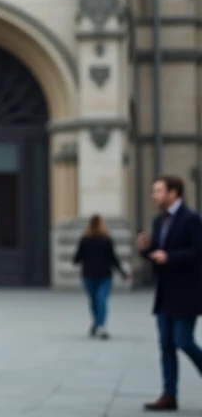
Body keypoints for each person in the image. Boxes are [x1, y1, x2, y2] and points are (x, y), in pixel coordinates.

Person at [139, 175, 202, 412]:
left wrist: (170, 257)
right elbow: (158, 254)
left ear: (173, 193)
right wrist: (146, 250)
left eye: (158, 191)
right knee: (166, 345)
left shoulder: (191, 219)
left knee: (183, 341)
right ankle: (169, 395)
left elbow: (198, 251)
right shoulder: (159, 221)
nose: (154, 195)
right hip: (165, 293)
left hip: (186, 292)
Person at [72, 214, 128, 340]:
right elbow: (114, 258)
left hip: (89, 274)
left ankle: (98, 324)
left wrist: (77, 260)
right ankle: (100, 325)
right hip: (104, 274)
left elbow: (77, 257)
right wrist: (122, 272)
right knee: (101, 299)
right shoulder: (106, 239)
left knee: (94, 300)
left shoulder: (85, 240)